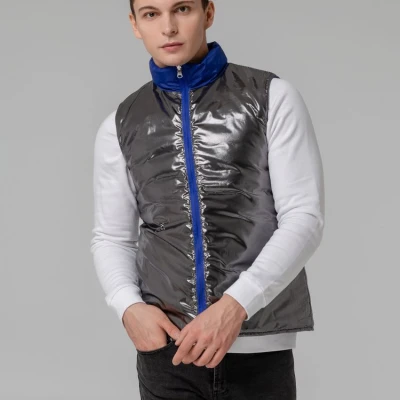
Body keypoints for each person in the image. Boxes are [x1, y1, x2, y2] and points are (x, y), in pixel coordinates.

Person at [90, 0, 325, 398]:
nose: (168, 27)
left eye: (182, 9)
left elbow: (304, 218)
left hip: (258, 353)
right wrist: (128, 307)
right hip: (168, 355)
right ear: (135, 24)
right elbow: (111, 237)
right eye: (151, 14)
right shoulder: (121, 123)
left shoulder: (271, 96)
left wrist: (236, 306)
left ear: (209, 13)